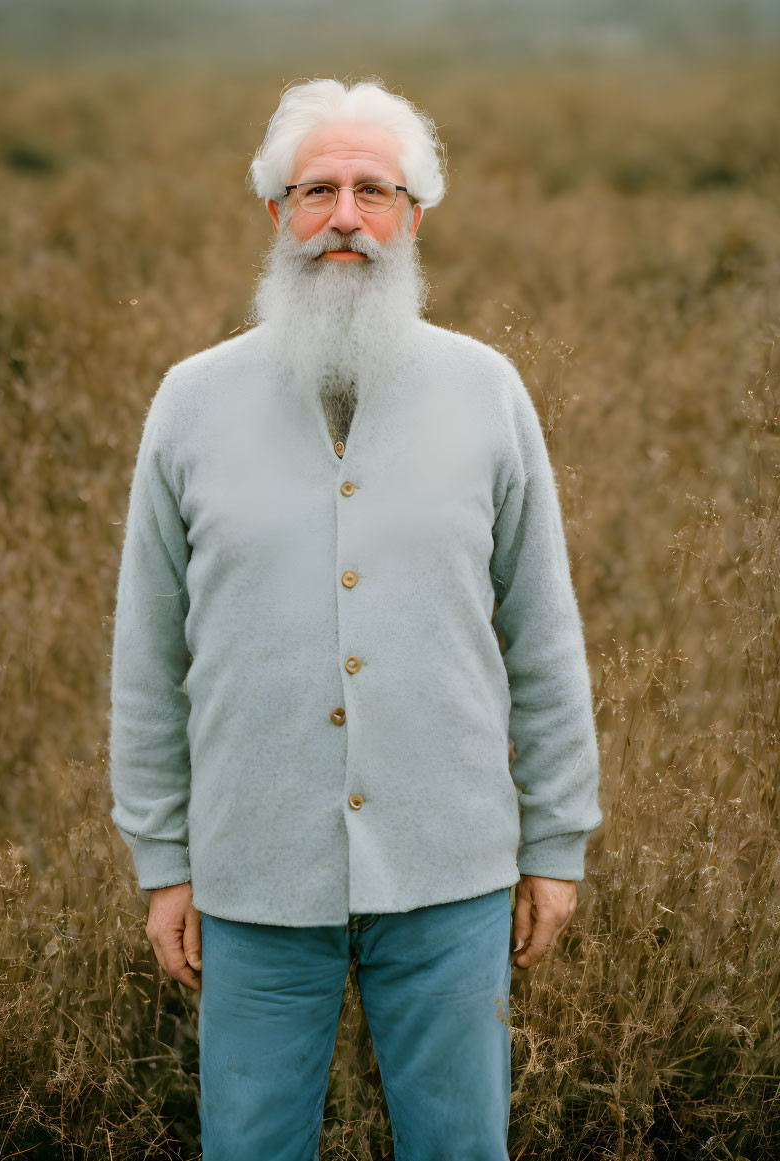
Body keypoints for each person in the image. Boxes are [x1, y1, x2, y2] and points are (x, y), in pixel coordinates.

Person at [108, 74, 603, 1161]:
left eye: (373, 190)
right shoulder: (189, 401)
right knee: (249, 1147)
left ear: (415, 214)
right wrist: (164, 860)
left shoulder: (489, 391)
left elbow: (545, 630)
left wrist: (555, 840)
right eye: (316, 190)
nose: (344, 217)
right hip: (250, 876)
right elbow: (146, 650)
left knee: (460, 1147)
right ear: (275, 214)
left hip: (451, 874)